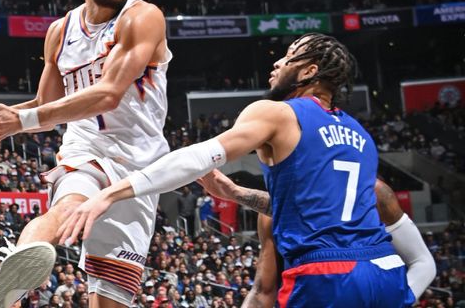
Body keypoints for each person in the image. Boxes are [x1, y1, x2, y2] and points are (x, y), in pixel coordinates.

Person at [60, 33, 417, 307]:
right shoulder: (361, 135)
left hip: (327, 275)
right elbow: (303, 207)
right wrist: (233, 193)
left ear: (309, 72)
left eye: (290, 57)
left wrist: (112, 192)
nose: (277, 63)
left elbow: (197, 157)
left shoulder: (276, 113)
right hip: (385, 271)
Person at [0, 0, 172, 308]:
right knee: (66, 206)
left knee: (109, 300)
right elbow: (46, 105)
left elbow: (109, 95)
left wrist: (20, 121)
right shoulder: (60, 32)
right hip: (87, 148)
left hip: (141, 166)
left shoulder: (142, 17)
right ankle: (7, 288)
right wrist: (4, 118)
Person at [197, 170, 436, 307]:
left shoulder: (373, 192)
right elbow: (262, 291)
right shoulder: (271, 216)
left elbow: (423, 263)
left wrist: (399, 300)